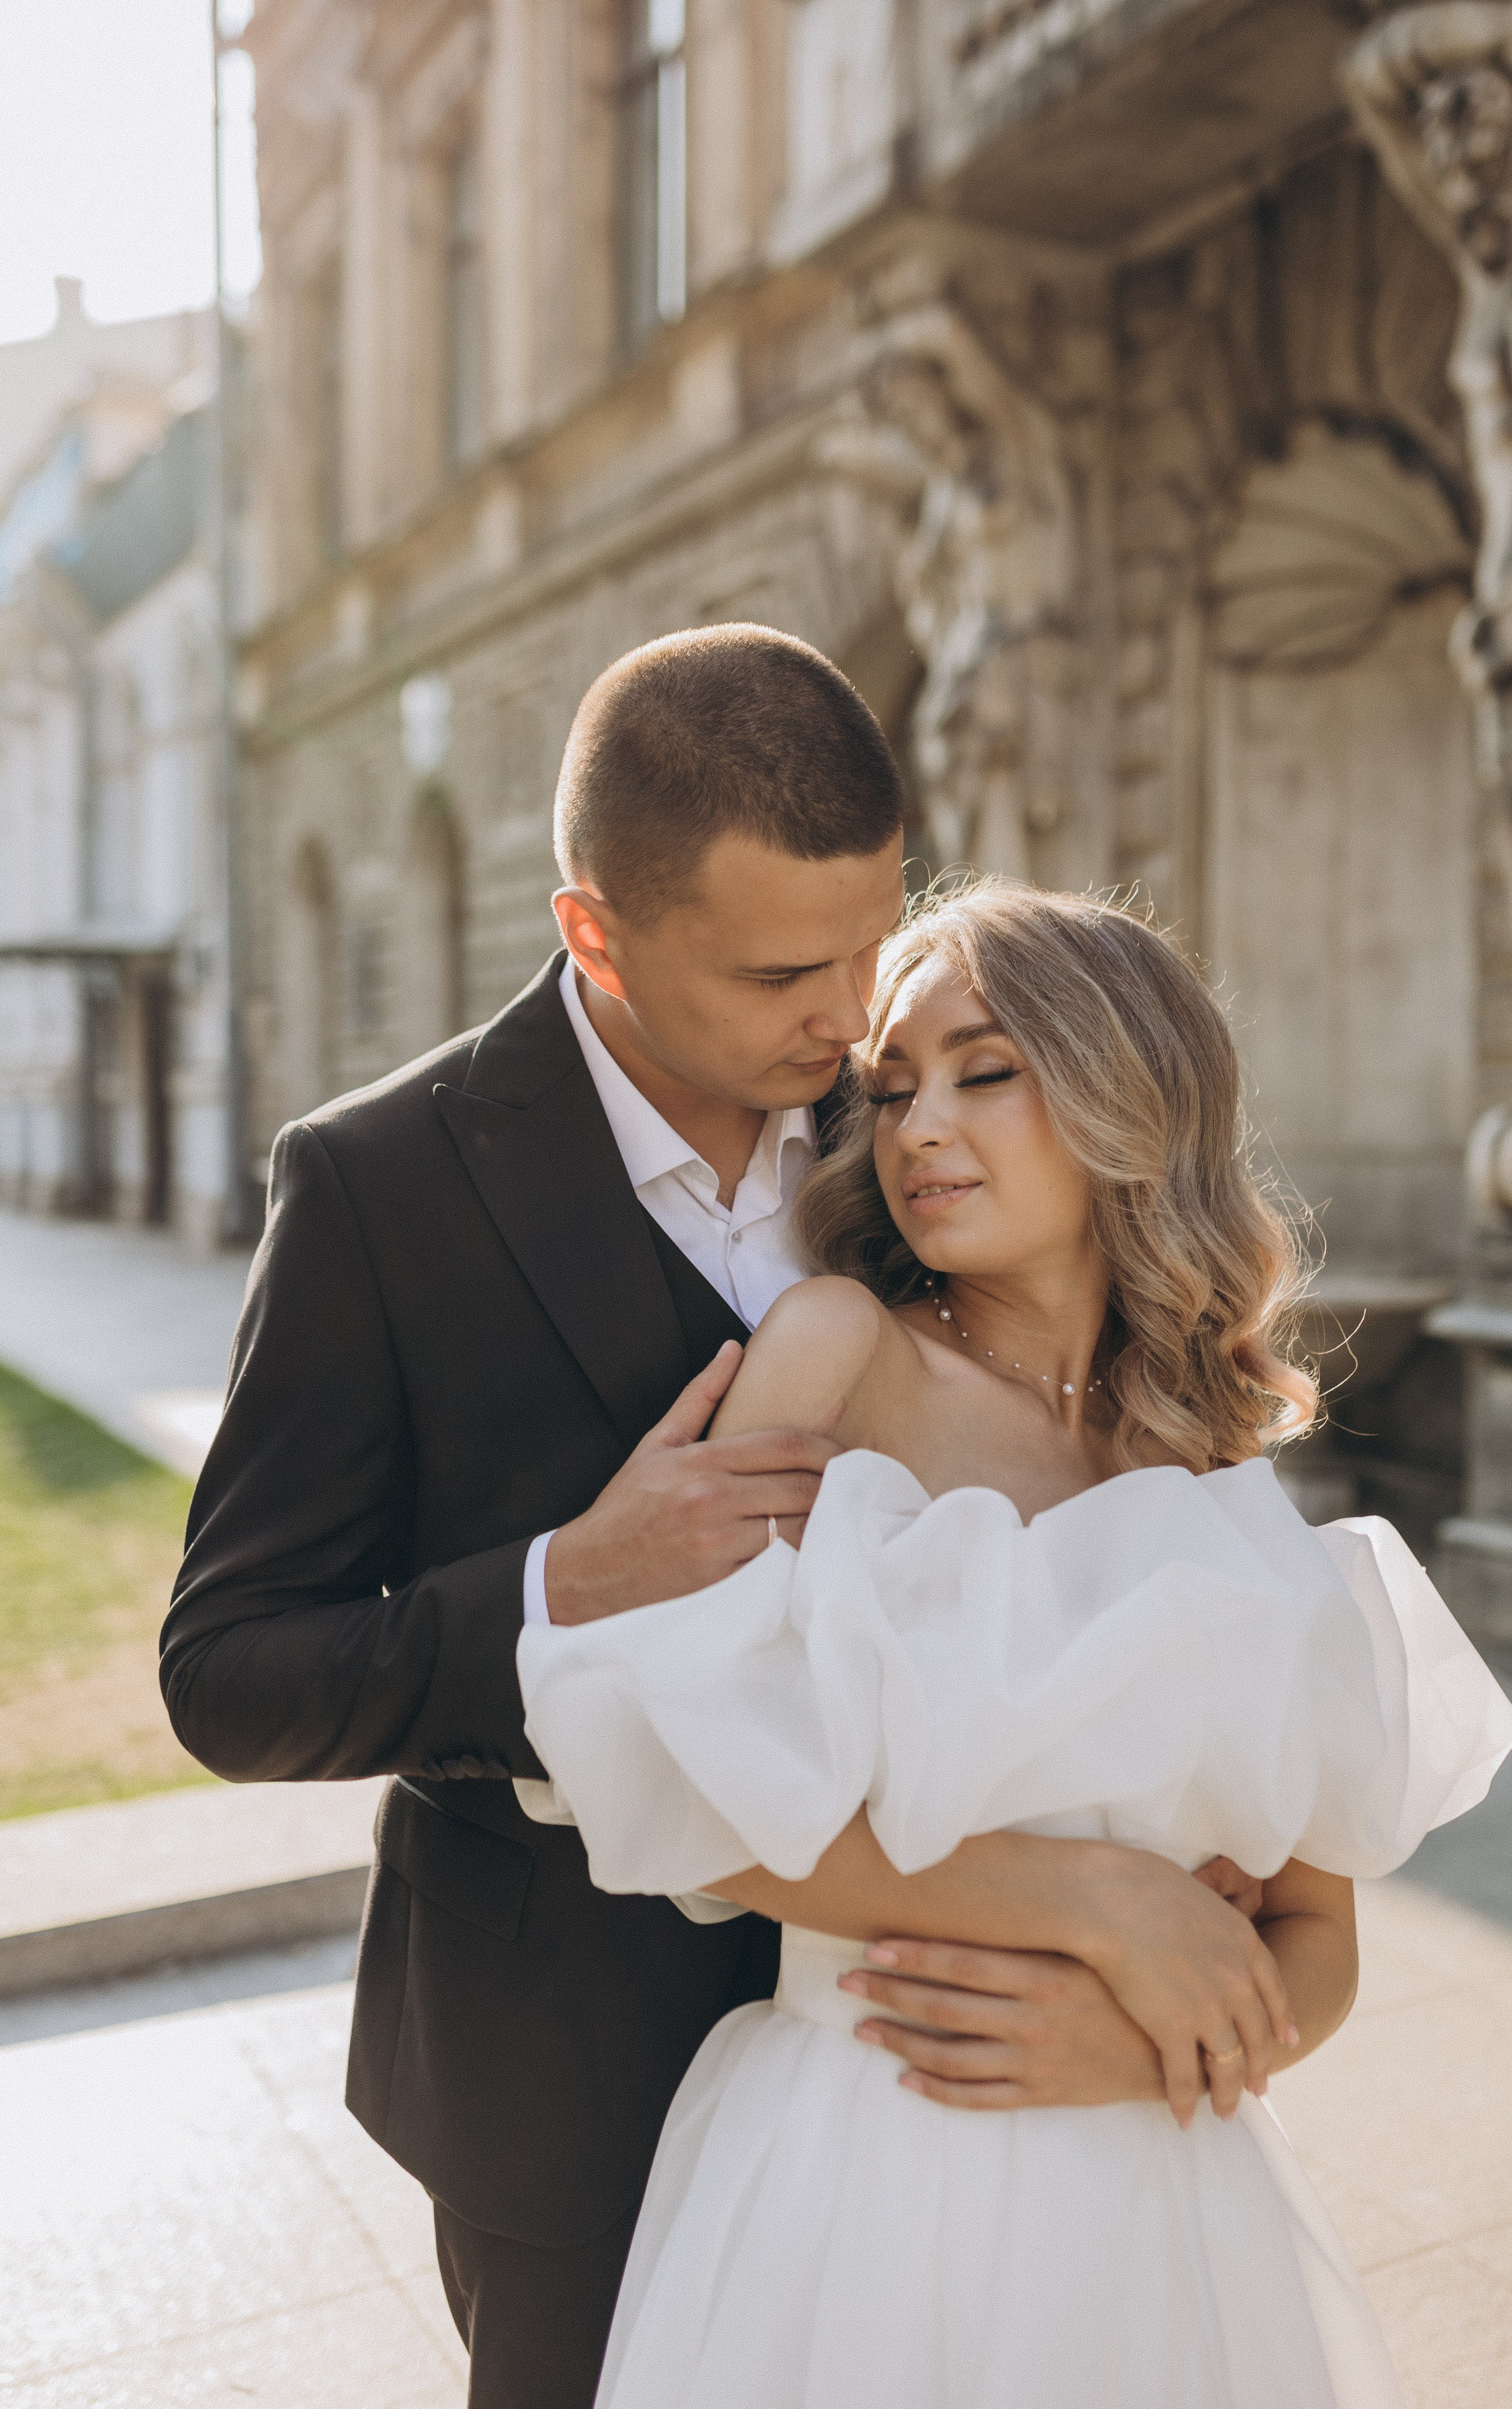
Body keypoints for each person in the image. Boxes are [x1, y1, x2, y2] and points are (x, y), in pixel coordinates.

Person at [163, 627, 1326, 2409]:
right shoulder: (381, 1185)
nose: (857, 1011)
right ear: (596, 935)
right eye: (792, 971)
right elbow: (232, 1669)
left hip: (972, 2049)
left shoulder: (902, 1152)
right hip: (561, 2061)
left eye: (875, 937)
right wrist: (565, 1583)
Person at [517, 883, 1512, 2409]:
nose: (918, 1126)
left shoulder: (1213, 1465)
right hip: (872, 2156)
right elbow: (681, 1786)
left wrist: (1147, 2050)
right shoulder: (838, 1353)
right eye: (893, 1086)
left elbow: (1314, 1947)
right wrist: (1103, 1906)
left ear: (1130, 1088)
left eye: (984, 1071)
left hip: (1166, 2190)